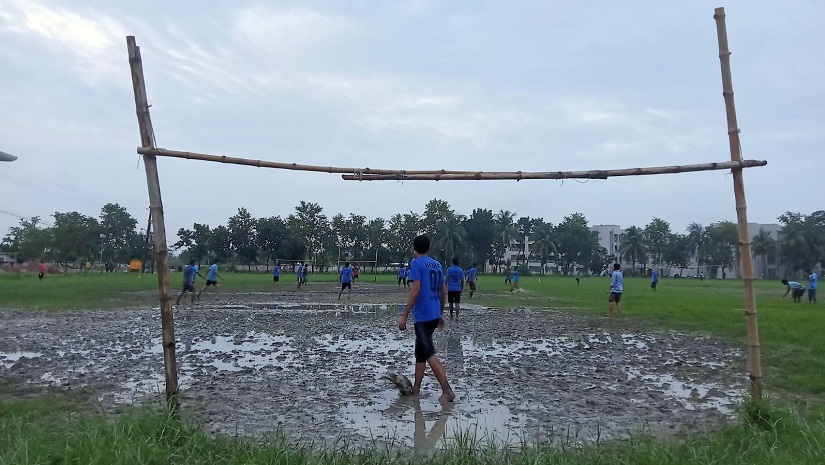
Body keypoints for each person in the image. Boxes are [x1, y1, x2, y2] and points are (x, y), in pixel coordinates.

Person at [398, 234, 455, 403]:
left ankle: (447, 391)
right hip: (433, 314)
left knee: (429, 353)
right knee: (421, 353)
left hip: (422, 316)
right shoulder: (437, 264)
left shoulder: (415, 263)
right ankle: (416, 389)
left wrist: (404, 315)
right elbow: (443, 290)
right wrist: (440, 313)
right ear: (429, 248)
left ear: (414, 248)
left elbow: (416, 289)